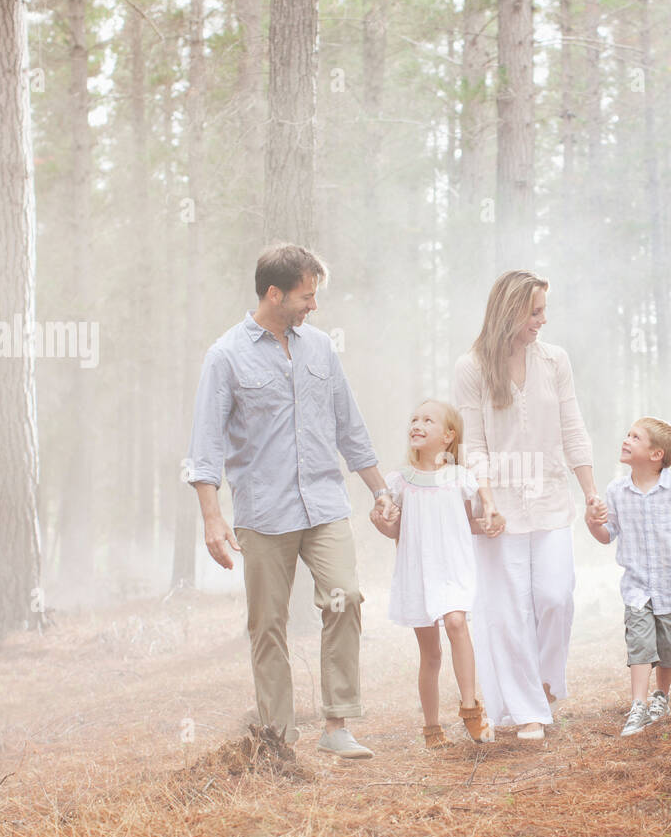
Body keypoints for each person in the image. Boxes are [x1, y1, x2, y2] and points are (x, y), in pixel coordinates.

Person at [185, 243, 397, 762]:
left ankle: (337, 723)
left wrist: (380, 489)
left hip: (324, 504)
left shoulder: (320, 348)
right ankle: (276, 737)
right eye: (307, 296)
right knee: (268, 624)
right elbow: (205, 446)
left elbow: (350, 425)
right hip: (264, 514)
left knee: (345, 597)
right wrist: (213, 518)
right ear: (274, 293)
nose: (314, 307)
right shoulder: (226, 356)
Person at [453, 270, 604, 741]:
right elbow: (472, 446)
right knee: (506, 609)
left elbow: (573, 429)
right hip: (498, 509)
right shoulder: (472, 368)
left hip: (552, 499)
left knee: (555, 597)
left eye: (543, 310)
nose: (543, 320)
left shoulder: (555, 361)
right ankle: (527, 711)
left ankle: (542, 683)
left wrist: (591, 491)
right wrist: (487, 500)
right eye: (534, 311)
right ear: (510, 312)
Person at [370, 399, 500, 748]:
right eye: (414, 418)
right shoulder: (399, 481)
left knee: (457, 622)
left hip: (452, 568)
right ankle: (431, 727)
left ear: (447, 436)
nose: (417, 424)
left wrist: (488, 524)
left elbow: (469, 522)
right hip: (418, 573)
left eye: (428, 420)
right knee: (431, 655)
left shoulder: (460, 478)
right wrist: (380, 520)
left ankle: (471, 709)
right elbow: (393, 529)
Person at [585, 418, 671, 737]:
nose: (626, 439)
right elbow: (608, 535)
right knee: (640, 643)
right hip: (637, 587)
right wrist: (592, 522)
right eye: (627, 434)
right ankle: (638, 705)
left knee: (669, 646)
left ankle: (661, 696)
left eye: (636, 437)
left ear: (655, 454)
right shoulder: (616, 491)